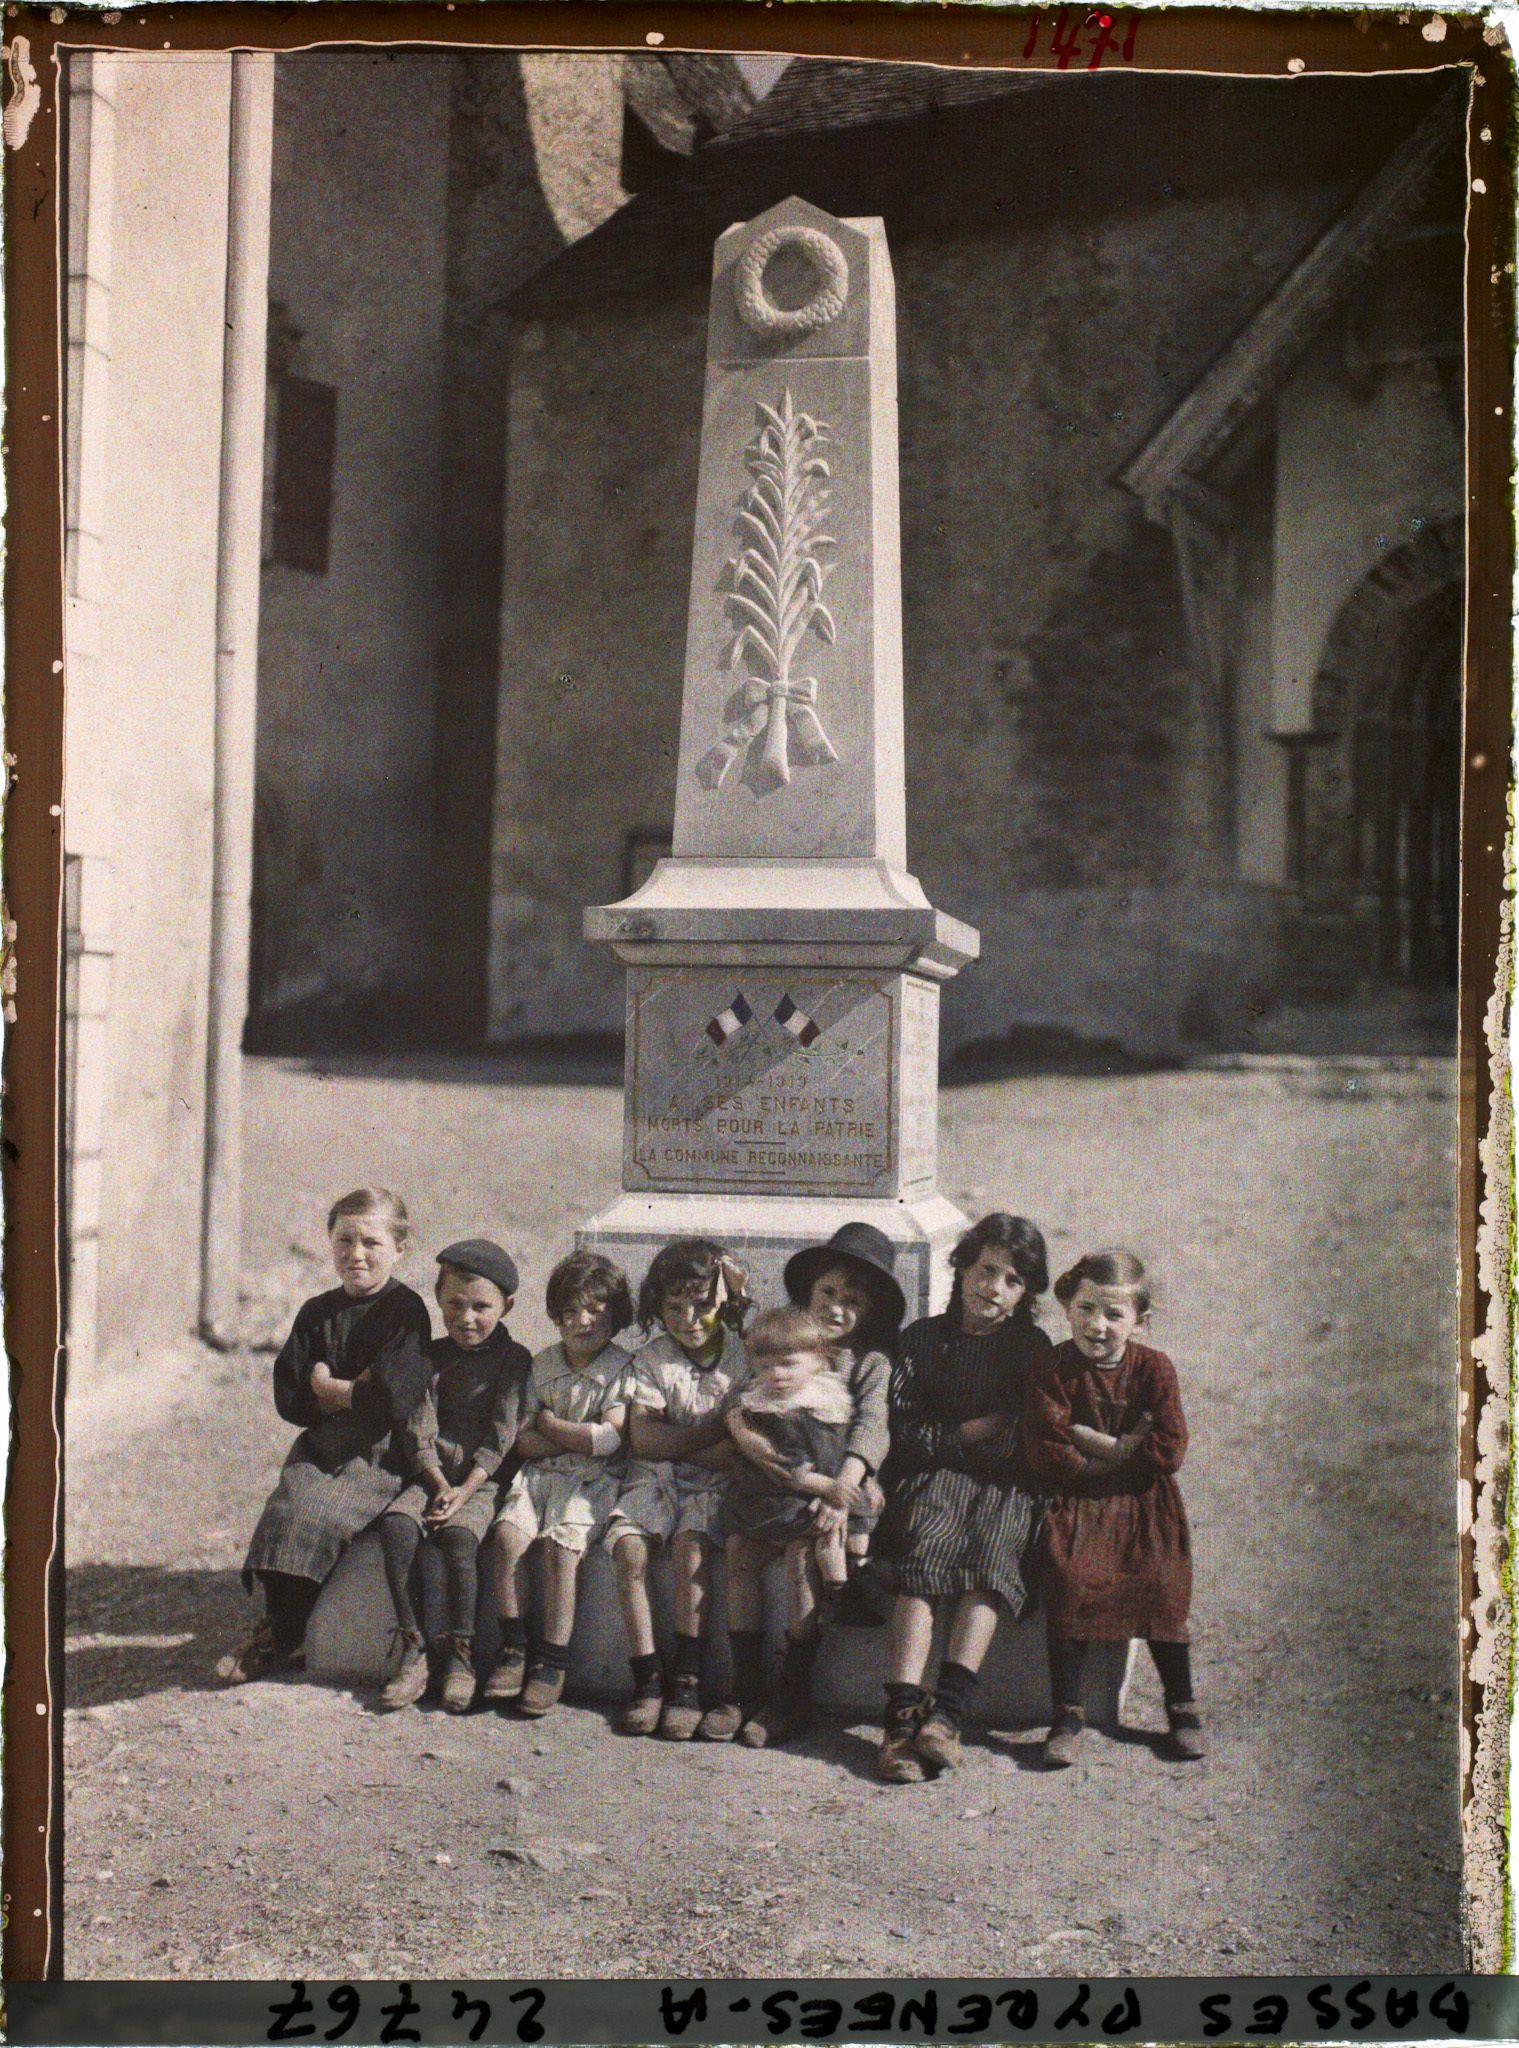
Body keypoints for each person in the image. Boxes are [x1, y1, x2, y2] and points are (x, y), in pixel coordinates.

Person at [220, 1188, 431, 1685]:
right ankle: (279, 1630)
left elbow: (395, 1399)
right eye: (344, 1241)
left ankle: (288, 1631)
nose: (356, 1254)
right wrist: (333, 1394)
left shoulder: (406, 1312)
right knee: (285, 1507)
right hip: (322, 1445)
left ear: (400, 1248)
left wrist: (328, 1386)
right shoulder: (316, 1313)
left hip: (380, 1453)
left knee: (318, 1514)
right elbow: (289, 1394)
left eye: (371, 1243)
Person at [873, 1212, 1053, 1782]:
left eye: (1011, 1281)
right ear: (962, 1266)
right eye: (986, 1270)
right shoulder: (923, 1340)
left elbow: (1030, 1430)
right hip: (933, 1476)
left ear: (1025, 1294)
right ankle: (900, 1721)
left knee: (993, 1561)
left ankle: (946, 1716)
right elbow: (902, 1429)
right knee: (924, 1555)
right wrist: (966, 1434)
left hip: (1004, 1485)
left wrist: (997, 1444)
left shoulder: (1031, 1346)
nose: (992, 1288)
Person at [1024, 1248, 1201, 1765]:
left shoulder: (1154, 1369)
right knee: (1070, 1577)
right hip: (1078, 1498)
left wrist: (1097, 1443)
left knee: (1160, 1580)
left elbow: (1168, 1450)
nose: (1097, 1325)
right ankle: (1068, 1712)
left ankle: (1182, 1705)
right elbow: (1046, 1448)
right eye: (1085, 1309)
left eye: (1114, 1314)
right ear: (1068, 1309)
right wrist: (1117, 1450)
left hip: (1144, 1502)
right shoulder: (1054, 1366)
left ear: (1140, 1323)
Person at [375, 1240, 532, 1715]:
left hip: (481, 1481)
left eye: (481, 1307)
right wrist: (438, 1484)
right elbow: (417, 1425)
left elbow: (504, 1434)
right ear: (439, 1302)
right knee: (398, 1527)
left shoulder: (515, 1361)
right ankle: (414, 1647)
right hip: (433, 1476)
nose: (467, 1318)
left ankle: (461, 1656)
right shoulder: (429, 1356)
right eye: (455, 1305)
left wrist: (464, 1491)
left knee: (461, 1537)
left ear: (506, 1306)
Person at [606, 1239, 751, 1740]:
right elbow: (643, 1438)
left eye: (703, 1304)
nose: (688, 1317)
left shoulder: (741, 1356)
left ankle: (687, 1680)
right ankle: (647, 1677)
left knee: (692, 1549)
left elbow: (735, 1454)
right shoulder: (652, 1358)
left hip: (713, 1483)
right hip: (656, 1479)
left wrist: (674, 1441)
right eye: (674, 1306)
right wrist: (710, 1433)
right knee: (629, 1550)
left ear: (724, 1304)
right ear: (657, 1305)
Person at [483, 1250, 636, 1716]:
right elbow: (523, 1443)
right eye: (570, 1310)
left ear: (616, 1313)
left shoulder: (621, 1368)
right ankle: (514, 1649)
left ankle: (552, 1660)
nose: (583, 1320)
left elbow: (608, 1441)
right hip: (540, 1477)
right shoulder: (542, 1364)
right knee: (507, 1539)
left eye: (595, 1308)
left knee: (559, 1550)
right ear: (555, 1316)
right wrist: (569, 1437)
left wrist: (551, 1426)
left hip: (591, 1483)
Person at [709, 1305, 856, 1748]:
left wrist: (829, 1488)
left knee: (799, 1565)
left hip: (804, 1512)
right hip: (759, 1506)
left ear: (819, 1360)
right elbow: (732, 1413)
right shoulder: (755, 1398)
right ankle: (746, 1683)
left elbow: (816, 1465)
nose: (776, 1375)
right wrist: (736, 1421)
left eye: (788, 1363)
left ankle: (793, 1690)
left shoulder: (820, 1405)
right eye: (766, 1363)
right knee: (738, 1553)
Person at [781, 1222, 903, 1625]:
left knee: (854, 1515)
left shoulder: (871, 1363)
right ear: (810, 1293)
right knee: (800, 1553)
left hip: (844, 1477)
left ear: (869, 1311)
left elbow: (872, 1425)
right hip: (794, 1476)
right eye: (827, 1293)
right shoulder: (791, 1353)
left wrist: (844, 1487)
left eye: (852, 1301)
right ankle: (799, 1650)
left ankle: (852, 1579)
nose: (835, 1308)